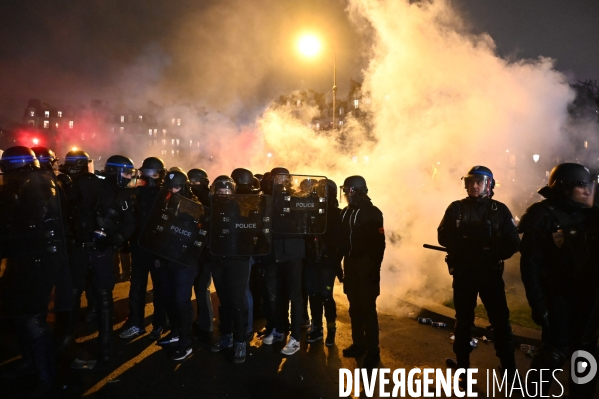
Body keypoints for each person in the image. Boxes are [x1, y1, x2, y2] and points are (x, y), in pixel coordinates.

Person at [518, 163, 599, 397]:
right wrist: (538, 304)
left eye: (589, 186)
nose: (587, 191)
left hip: (588, 300)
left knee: (585, 357)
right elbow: (530, 267)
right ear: (564, 187)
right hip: (557, 300)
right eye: (582, 186)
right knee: (554, 353)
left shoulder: (589, 214)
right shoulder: (541, 216)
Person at [0, 146, 72, 396]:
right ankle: (32, 363)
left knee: (32, 319)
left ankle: (46, 376)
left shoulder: (37, 185)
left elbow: (28, 226)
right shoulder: (37, 182)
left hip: (37, 263)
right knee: (21, 315)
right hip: (27, 261)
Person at [438, 166, 520, 385]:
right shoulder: (456, 208)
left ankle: (510, 370)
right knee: (463, 321)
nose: (475, 185)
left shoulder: (499, 210)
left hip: (490, 274)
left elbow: (513, 242)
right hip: (464, 274)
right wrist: (466, 246)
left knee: (500, 321)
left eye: (480, 182)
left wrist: (491, 250)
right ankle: (463, 370)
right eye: (471, 181)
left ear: (489, 184)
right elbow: (442, 236)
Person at [67, 154, 136, 361]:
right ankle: (74, 343)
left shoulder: (117, 193)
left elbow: (129, 223)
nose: (128, 177)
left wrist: (114, 240)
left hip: (96, 251)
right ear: (114, 171)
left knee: (99, 296)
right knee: (82, 295)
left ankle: (98, 345)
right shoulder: (86, 186)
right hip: (85, 250)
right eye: (125, 172)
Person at [155, 170, 205, 361]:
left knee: (182, 301)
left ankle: (186, 344)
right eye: (170, 187)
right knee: (169, 297)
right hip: (168, 257)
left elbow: (196, 235)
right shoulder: (167, 202)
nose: (173, 190)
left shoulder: (194, 206)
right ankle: (176, 332)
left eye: (176, 187)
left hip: (184, 261)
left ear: (184, 187)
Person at [120, 157, 168, 340]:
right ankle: (136, 323)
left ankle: (158, 324)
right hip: (140, 247)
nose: (148, 176)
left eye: (152, 173)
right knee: (137, 288)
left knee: (159, 288)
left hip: (157, 249)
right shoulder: (136, 192)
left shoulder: (166, 194)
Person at [340, 175, 385, 368]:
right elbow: (342, 241)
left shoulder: (373, 213)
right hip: (350, 264)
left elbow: (379, 245)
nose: (345, 194)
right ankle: (359, 343)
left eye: (347, 190)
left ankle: (373, 350)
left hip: (366, 266)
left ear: (354, 191)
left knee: (368, 309)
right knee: (354, 306)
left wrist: (375, 268)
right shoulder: (346, 212)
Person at [262, 167, 306, 356]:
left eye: (283, 178)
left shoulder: (296, 198)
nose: (280, 181)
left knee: (294, 295)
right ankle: (280, 329)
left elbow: (303, 222)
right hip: (273, 253)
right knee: (276, 295)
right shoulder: (266, 199)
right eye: (276, 178)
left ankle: (295, 338)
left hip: (293, 253)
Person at [209, 176, 253, 363]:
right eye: (219, 192)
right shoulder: (211, 210)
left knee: (237, 300)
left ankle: (240, 341)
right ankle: (226, 336)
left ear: (233, 192)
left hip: (238, 260)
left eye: (226, 192)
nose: (223, 195)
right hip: (218, 259)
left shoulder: (242, 208)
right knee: (224, 299)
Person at [305, 179, 343, 346]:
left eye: (324, 191)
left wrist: (336, 262)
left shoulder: (338, 214)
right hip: (313, 260)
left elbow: (341, 242)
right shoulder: (313, 211)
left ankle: (331, 330)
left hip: (328, 263)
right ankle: (317, 328)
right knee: (314, 295)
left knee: (326, 296)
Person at [188, 168, 214, 343]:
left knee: (201, 287)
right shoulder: (188, 197)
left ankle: (206, 325)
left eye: (195, 181)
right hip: (192, 249)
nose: (192, 184)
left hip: (206, 250)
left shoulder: (211, 199)